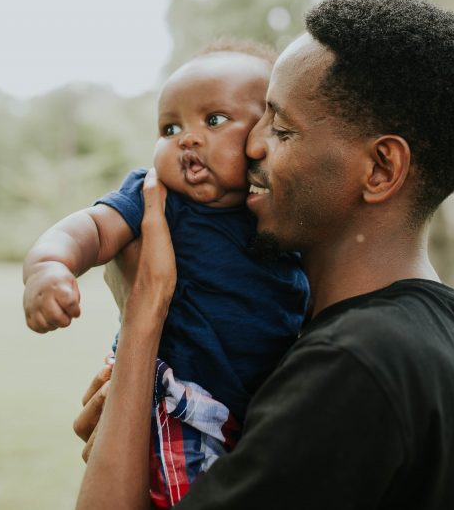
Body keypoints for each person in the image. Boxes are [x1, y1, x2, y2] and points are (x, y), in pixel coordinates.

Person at [74, 0, 454, 509]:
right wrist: (136, 419)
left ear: (381, 169)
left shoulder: (350, 367)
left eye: (280, 128)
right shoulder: (433, 327)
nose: (252, 146)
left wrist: (146, 311)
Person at [21, 40, 309, 507]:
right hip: (177, 398)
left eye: (213, 120)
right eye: (169, 127)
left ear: (265, 135)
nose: (187, 139)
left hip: (253, 412)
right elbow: (90, 228)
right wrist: (49, 266)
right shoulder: (157, 197)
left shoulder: (281, 218)